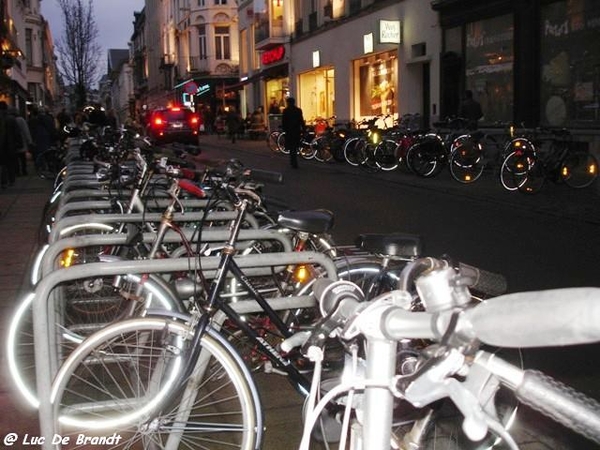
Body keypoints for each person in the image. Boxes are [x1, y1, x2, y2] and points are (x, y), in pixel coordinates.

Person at [0, 101, 23, 188]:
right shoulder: (11, 119)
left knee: (2, 164)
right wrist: (19, 143)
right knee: (10, 163)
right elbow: (17, 133)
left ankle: (3, 181)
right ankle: (11, 180)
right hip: (10, 144)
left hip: (1, 145)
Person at [281, 97, 305, 169]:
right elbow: (301, 120)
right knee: (295, 146)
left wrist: (284, 130)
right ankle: (294, 161)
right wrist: (304, 129)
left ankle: (293, 161)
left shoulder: (286, 111)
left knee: (292, 147)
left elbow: (284, 121)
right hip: (296, 131)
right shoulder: (298, 110)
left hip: (289, 131)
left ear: (288, 103)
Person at [10, 107, 33, 176]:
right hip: (22, 141)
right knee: (22, 158)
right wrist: (29, 141)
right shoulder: (21, 120)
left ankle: (17, 171)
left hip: (13, 142)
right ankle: (24, 170)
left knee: (16, 158)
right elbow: (26, 131)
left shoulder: (10, 120)